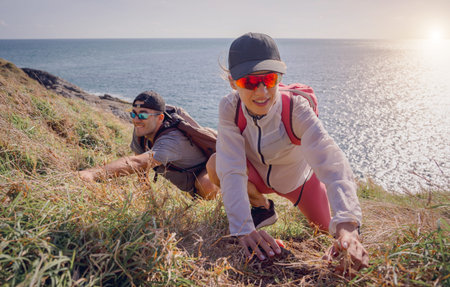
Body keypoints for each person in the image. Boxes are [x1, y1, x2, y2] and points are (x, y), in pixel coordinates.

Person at [206, 32, 368, 273]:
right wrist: (244, 230)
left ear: (279, 77)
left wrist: (347, 225)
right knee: (215, 163)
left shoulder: (296, 108)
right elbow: (231, 167)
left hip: (300, 184)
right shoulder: (230, 107)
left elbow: (332, 164)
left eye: (269, 79)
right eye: (249, 82)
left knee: (325, 232)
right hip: (257, 178)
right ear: (232, 81)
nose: (261, 92)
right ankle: (263, 207)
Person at [79, 91, 218, 200]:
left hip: (211, 166)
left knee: (205, 186)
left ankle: (216, 202)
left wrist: (92, 173)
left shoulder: (171, 141)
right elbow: (140, 162)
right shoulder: (142, 129)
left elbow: (138, 162)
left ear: (160, 118)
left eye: (143, 115)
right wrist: (146, 195)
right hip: (192, 167)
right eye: (133, 114)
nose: (137, 120)